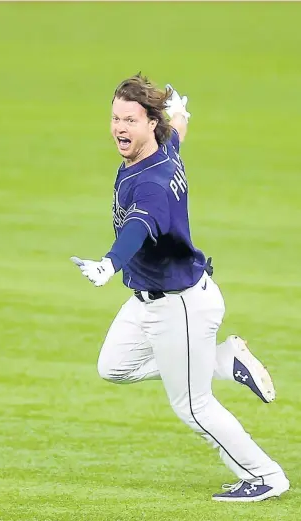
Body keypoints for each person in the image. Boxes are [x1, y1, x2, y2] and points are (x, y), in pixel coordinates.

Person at [70, 74, 289, 502]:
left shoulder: (151, 183)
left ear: (150, 123)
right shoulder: (161, 147)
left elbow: (138, 226)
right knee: (113, 366)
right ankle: (223, 359)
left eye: (130, 120)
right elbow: (178, 132)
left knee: (193, 405)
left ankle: (265, 475)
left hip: (180, 306)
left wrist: (110, 263)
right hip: (151, 300)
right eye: (115, 118)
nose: (120, 128)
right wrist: (180, 112)